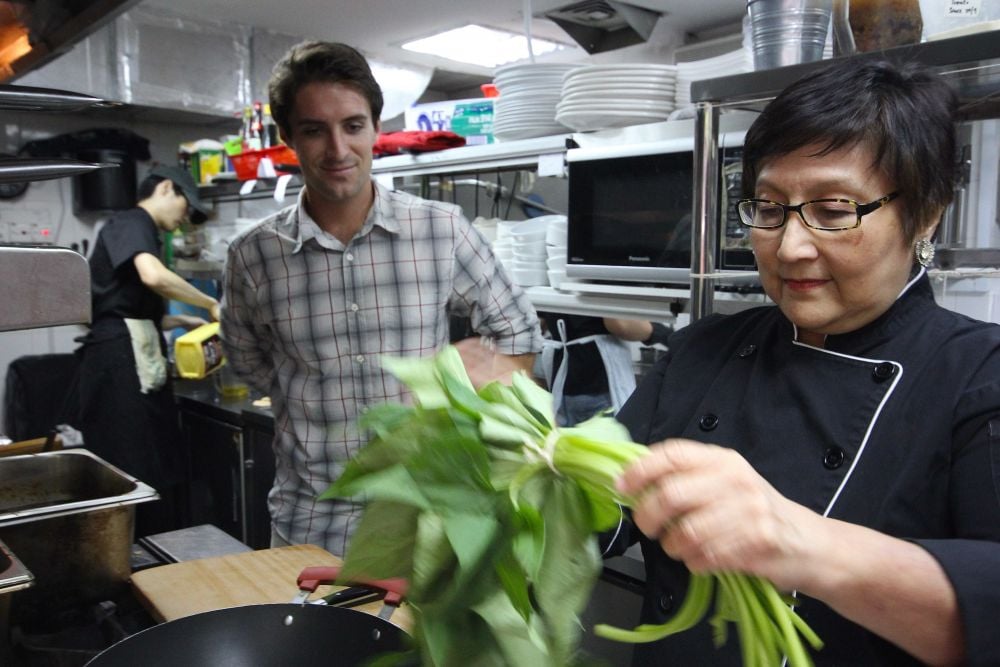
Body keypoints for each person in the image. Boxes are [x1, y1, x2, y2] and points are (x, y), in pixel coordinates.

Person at [606, 59, 1000, 666]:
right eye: (768, 208)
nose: (790, 247)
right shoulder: (703, 349)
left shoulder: (979, 375)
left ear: (926, 212)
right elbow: (603, 505)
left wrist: (805, 544)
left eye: (835, 210)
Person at [220, 41, 543, 557]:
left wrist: (478, 387)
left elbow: (520, 332)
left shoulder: (440, 230)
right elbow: (249, 366)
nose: (337, 149)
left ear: (375, 128)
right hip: (311, 522)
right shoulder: (252, 256)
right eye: (313, 130)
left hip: (429, 521)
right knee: (313, 641)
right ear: (288, 140)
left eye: (352, 126)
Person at [77, 164, 219, 537]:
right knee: (132, 472)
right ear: (167, 188)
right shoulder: (132, 221)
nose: (185, 218)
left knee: (146, 468)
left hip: (126, 356)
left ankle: (148, 561)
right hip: (118, 366)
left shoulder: (141, 232)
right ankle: (133, 570)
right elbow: (153, 277)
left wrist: (182, 323)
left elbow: (129, 306)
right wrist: (210, 305)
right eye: (186, 207)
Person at [537, 313, 671, 426]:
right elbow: (619, 324)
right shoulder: (600, 281)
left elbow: (539, 322)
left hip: (563, 384)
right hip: (598, 379)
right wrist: (665, 335)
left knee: (571, 451)